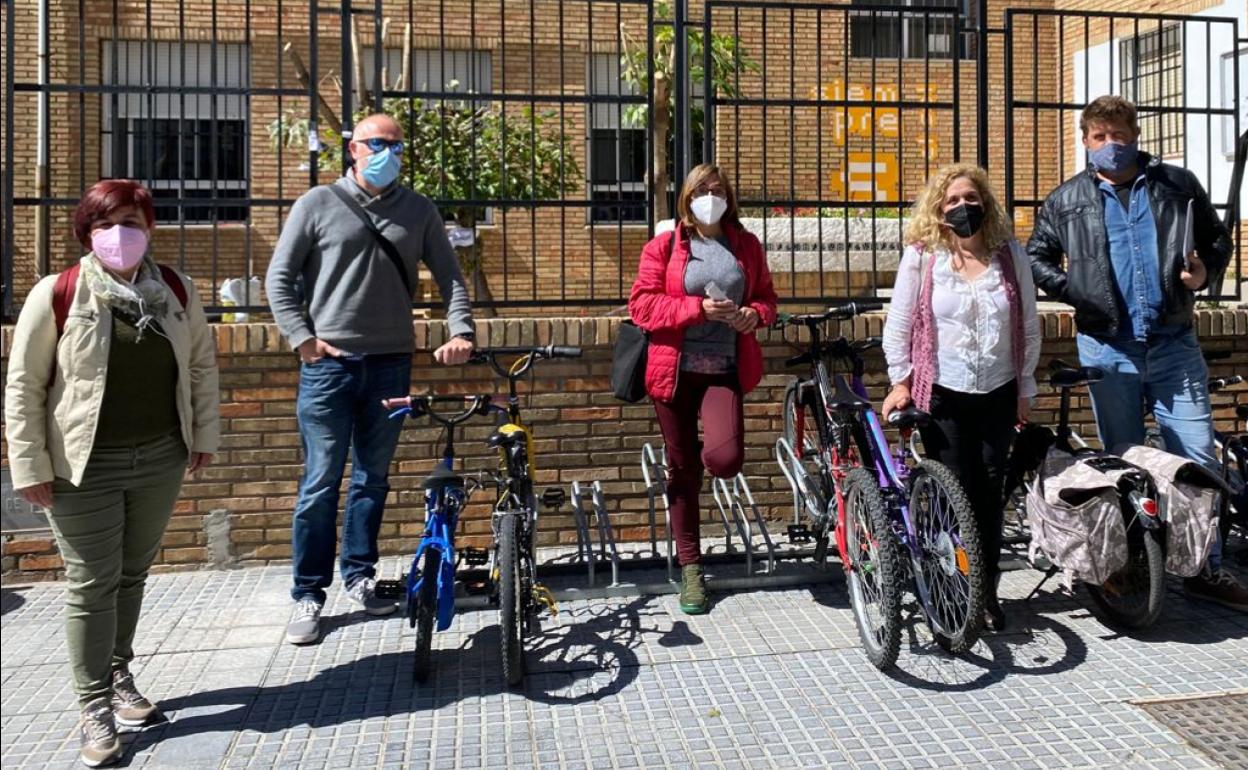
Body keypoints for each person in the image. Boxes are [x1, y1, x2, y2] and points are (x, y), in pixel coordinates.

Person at [5, 179, 220, 767]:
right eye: (104, 223)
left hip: (159, 457)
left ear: (150, 227)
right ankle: (94, 703)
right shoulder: (58, 292)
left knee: (131, 575)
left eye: (130, 220)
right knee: (90, 583)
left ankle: (119, 675)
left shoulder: (175, 288)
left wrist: (202, 436)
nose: (118, 233)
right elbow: (24, 386)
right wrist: (28, 463)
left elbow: (200, 364)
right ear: (86, 231)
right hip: (82, 467)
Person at [1028, 94, 1248, 611]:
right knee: (1122, 461)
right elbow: (1036, 256)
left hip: (1173, 342)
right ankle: (1133, 566)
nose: (1111, 145)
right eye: (1100, 136)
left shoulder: (1177, 185)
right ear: (1085, 141)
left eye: (1119, 135)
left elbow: (1217, 241)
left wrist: (1204, 274)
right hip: (1108, 348)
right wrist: (1074, 289)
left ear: (1135, 136)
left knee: (1195, 459)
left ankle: (1203, 569)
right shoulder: (1066, 200)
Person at [265, 113, 476, 645]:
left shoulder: (418, 209)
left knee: (372, 478)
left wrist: (461, 331)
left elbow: (451, 276)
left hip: (390, 364)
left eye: (396, 145)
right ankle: (308, 594)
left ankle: (358, 575)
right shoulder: (317, 204)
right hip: (329, 368)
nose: (387, 153)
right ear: (353, 148)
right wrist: (303, 338)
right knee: (320, 482)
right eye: (376, 143)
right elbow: (280, 277)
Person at [882, 163, 1041, 631]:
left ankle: (986, 590)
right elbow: (901, 322)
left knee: (989, 492)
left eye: (970, 198)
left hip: (998, 390)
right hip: (944, 393)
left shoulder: (1010, 255)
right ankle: (949, 586)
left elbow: (1028, 325)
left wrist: (1026, 387)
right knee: (953, 492)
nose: (962, 207)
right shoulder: (923, 257)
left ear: (985, 204)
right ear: (938, 208)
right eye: (952, 200)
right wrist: (901, 380)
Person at [627, 163, 778, 615]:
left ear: (729, 196)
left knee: (724, 459)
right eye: (701, 189)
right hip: (673, 372)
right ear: (687, 197)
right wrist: (697, 309)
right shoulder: (666, 245)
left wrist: (755, 314)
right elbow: (641, 304)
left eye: (717, 189)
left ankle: (694, 543)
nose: (710, 196)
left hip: (724, 369)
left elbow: (768, 298)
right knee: (683, 469)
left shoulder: (745, 245)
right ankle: (691, 568)